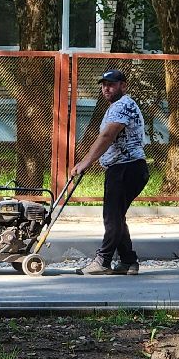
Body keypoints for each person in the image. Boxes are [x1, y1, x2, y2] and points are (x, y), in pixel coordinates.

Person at [70, 68, 148, 275]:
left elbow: (107, 136)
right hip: (127, 167)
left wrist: (86, 162)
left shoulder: (122, 105)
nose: (106, 88)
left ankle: (103, 261)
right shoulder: (119, 105)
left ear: (123, 85)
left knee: (112, 216)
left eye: (111, 84)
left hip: (126, 167)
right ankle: (128, 261)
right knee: (117, 216)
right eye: (104, 85)